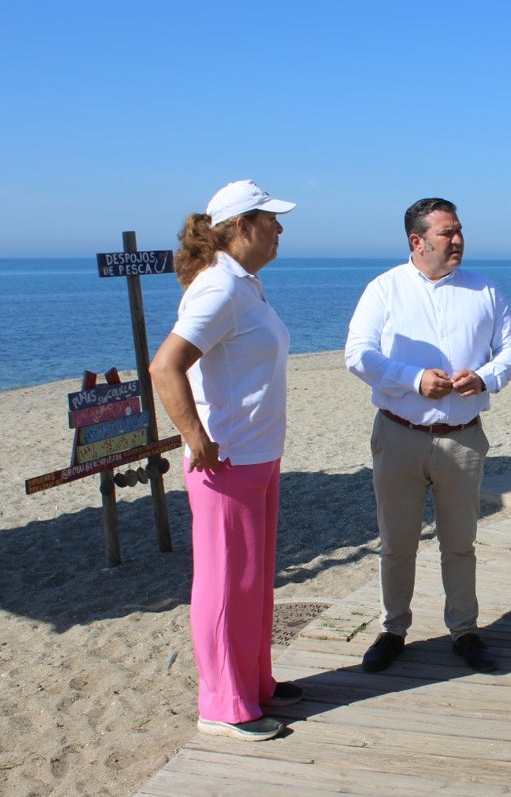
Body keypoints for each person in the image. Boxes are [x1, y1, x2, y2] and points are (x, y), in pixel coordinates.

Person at [345, 198, 511, 674]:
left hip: (462, 437)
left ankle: (464, 631)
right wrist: (412, 378)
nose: (458, 240)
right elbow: (357, 354)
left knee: (460, 542)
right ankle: (393, 629)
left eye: (460, 230)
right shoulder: (384, 289)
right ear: (417, 240)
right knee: (396, 542)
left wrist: (485, 378)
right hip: (398, 434)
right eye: (448, 232)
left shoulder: (485, 290)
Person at [150, 180, 301, 741]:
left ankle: (254, 682)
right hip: (227, 460)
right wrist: (195, 437)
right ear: (242, 226)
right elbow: (165, 366)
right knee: (223, 582)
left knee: (253, 581)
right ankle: (222, 703)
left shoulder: (246, 285)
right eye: (272, 220)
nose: (280, 230)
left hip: (258, 453)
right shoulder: (218, 288)